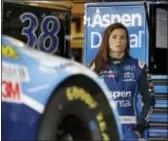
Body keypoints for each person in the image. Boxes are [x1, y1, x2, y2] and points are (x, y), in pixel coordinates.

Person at [89, 23, 155, 140]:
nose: (118, 41)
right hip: (102, 130)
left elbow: (150, 101)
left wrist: (139, 130)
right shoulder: (94, 67)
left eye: (122, 37)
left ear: (127, 41)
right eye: (114, 37)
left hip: (130, 132)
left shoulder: (139, 66)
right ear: (107, 40)